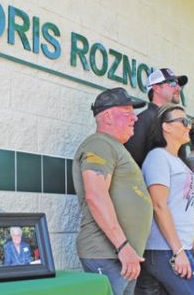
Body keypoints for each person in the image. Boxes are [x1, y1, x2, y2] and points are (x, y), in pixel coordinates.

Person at [73, 87, 153, 295]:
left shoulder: (113, 147)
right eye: (127, 112)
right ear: (107, 116)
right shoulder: (99, 143)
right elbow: (95, 196)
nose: (135, 118)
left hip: (121, 256)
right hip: (108, 254)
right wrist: (123, 246)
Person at [136, 104, 194, 295]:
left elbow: (188, 213)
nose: (188, 126)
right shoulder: (158, 157)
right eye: (183, 121)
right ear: (166, 126)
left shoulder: (181, 162)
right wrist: (178, 251)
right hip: (164, 248)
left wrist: (193, 252)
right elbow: (159, 205)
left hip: (182, 247)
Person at [125, 68, 188, 167]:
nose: (179, 88)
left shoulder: (176, 121)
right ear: (156, 88)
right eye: (172, 83)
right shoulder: (142, 119)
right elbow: (131, 162)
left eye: (179, 84)